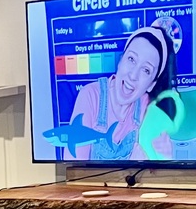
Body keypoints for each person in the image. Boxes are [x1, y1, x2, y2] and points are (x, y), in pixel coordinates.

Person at [68, 26, 176, 160]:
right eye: (131, 59)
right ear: (120, 60)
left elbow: (155, 165)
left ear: (151, 84)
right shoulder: (90, 96)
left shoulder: (147, 107)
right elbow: (74, 169)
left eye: (146, 70)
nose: (133, 75)